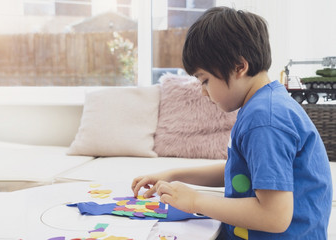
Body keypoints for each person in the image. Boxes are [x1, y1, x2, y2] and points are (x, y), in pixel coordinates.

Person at [131, 6, 333, 239]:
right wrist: (175, 174)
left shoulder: (265, 120)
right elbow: (241, 170)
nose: (203, 93)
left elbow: (275, 216)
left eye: (204, 80)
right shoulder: (263, 105)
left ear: (239, 66)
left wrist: (195, 200)